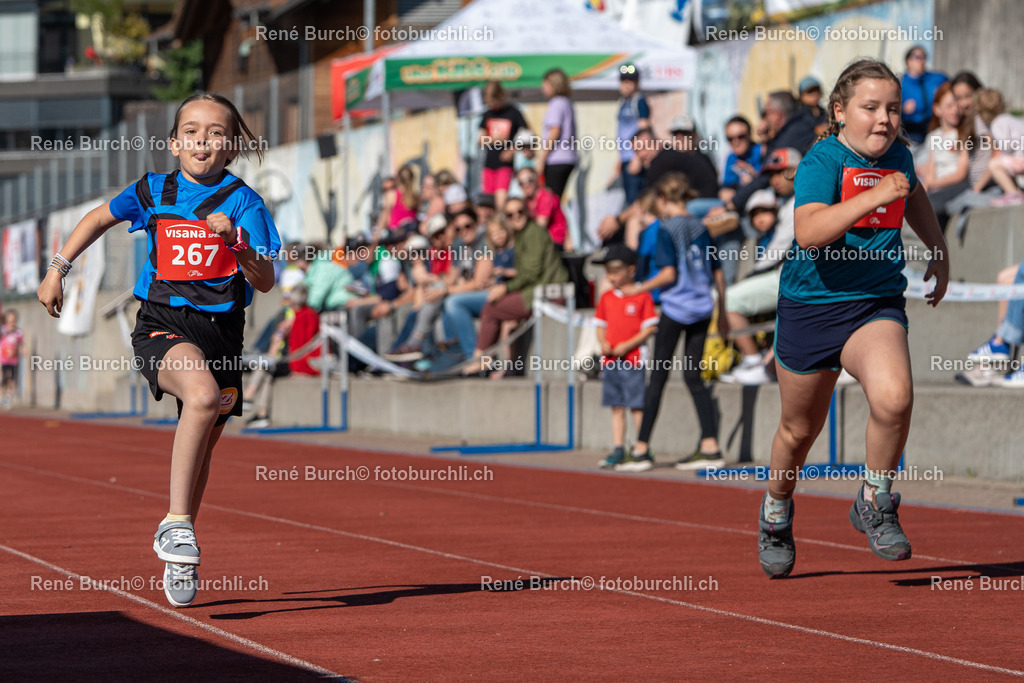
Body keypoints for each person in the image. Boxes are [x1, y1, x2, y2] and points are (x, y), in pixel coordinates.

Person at [36, 92, 281, 606]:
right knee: (201, 395)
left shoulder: (245, 203)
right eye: (192, 131)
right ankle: (174, 523)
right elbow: (98, 218)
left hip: (222, 333)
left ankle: (179, 543)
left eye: (216, 132)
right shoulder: (152, 190)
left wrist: (236, 241)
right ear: (174, 143)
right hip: (161, 324)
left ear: (232, 147)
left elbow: (265, 279)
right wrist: (58, 269)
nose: (203, 141)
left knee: (205, 443)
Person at [757, 59, 948, 579]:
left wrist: (938, 248)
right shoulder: (823, 160)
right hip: (811, 308)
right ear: (840, 112)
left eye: (891, 108)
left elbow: (916, 198)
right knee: (799, 430)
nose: (884, 119)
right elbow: (810, 233)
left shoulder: (900, 159)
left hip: (873, 303)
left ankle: (874, 498)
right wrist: (873, 196)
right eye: (871, 108)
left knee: (895, 398)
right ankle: (776, 508)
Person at [616, 172, 728, 473]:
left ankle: (641, 449)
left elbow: (669, 274)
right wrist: (724, 311)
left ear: (663, 200)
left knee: (658, 378)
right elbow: (717, 273)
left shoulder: (666, 229)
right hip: (703, 308)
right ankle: (710, 445)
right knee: (694, 378)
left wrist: (636, 289)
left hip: (677, 308)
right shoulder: (702, 228)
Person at [719, 149, 801, 386]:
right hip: (790, 276)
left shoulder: (800, 200)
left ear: (797, 171)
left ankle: (754, 360)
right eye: (772, 174)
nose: (776, 179)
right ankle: (760, 360)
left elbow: (776, 254)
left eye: (782, 172)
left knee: (730, 299)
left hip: (793, 278)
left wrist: (750, 277)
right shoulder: (784, 201)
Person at [466, 197, 568, 374]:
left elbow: (531, 273)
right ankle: (505, 366)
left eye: (520, 211)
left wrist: (505, 288)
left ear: (527, 212)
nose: (516, 216)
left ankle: (481, 359)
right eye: (510, 214)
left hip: (548, 293)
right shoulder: (522, 234)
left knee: (491, 309)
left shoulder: (534, 233)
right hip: (536, 290)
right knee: (506, 318)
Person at [592, 245, 658, 469]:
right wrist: (604, 343)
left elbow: (649, 327)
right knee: (616, 406)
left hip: (633, 360)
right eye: (609, 272)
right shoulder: (607, 297)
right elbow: (600, 325)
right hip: (611, 361)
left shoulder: (642, 296)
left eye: (616, 271)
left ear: (630, 270)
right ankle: (618, 448)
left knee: (636, 405)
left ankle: (642, 447)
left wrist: (627, 345)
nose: (611, 277)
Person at [243, 284, 319, 428]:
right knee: (267, 371)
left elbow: (303, 345)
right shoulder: (292, 316)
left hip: (298, 361)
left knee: (265, 366)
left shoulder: (306, 316)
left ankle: (248, 397)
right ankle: (262, 413)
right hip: (290, 358)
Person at [443, 217, 513, 361]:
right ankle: (449, 354)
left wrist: (502, 279)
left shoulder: (505, 249)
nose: (463, 231)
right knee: (444, 302)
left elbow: (478, 282)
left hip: (506, 294)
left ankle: (474, 358)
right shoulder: (494, 250)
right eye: (458, 229)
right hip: (495, 291)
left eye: (468, 226)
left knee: (454, 302)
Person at [916, 82, 970, 232]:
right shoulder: (933, 137)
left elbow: (961, 174)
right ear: (937, 109)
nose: (955, 110)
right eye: (949, 106)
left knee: (931, 205)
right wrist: (927, 186)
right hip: (937, 187)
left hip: (957, 186)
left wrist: (934, 183)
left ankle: (936, 251)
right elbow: (931, 169)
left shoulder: (964, 134)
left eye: (957, 105)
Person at [479, 81, 530, 212]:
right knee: (488, 206)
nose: (491, 105)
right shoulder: (487, 114)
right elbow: (480, 140)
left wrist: (513, 150)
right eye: (488, 102)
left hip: (505, 165)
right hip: (489, 165)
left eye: (493, 101)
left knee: (500, 204)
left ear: (500, 97)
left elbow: (529, 136)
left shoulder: (513, 112)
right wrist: (496, 139)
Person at [976, 89, 1024, 206]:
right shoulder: (1010, 118)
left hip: (1021, 159)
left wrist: (997, 150)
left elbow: (1006, 146)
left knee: (994, 164)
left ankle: (1013, 194)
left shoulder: (997, 123)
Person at [536, 68, 578, 199]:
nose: (543, 88)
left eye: (545, 85)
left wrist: (542, 159)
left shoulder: (556, 103)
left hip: (556, 159)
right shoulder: (566, 103)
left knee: (551, 201)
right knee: (555, 200)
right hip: (567, 158)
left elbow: (555, 131)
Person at [611, 63, 650, 206]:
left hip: (635, 158)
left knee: (636, 203)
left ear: (637, 83)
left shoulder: (639, 101)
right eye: (623, 81)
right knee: (629, 200)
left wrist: (638, 157)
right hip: (626, 157)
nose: (626, 85)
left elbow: (644, 131)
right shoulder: (623, 102)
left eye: (630, 81)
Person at [949, 71, 992, 193]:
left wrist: (976, 190)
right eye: (958, 98)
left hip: (986, 187)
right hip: (977, 185)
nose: (964, 103)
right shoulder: (971, 121)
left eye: (969, 96)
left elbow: (997, 154)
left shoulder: (980, 120)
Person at [900, 46, 948, 146]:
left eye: (924, 57)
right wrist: (902, 109)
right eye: (918, 57)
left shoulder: (937, 79)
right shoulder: (900, 84)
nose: (922, 61)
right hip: (912, 133)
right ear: (908, 61)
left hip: (934, 129)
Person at [517, 166, 570, 251]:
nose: (526, 185)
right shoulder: (526, 201)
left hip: (554, 240)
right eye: (521, 182)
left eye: (530, 180)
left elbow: (541, 225)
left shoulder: (545, 196)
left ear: (536, 179)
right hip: (540, 240)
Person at [719, 115, 762, 207]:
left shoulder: (761, 152)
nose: (735, 142)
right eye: (730, 138)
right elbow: (726, 186)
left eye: (741, 136)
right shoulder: (731, 158)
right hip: (735, 202)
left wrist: (754, 177)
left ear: (749, 135)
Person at [1, 309, 24, 409]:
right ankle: (3, 395)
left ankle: (8, 397)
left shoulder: (18, 332)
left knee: (12, 379)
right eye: (10, 320)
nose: (12, 322)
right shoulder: (3, 330)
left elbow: (21, 343)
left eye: (14, 320)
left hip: (13, 360)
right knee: (4, 377)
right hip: (3, 359)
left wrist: (23, 350)